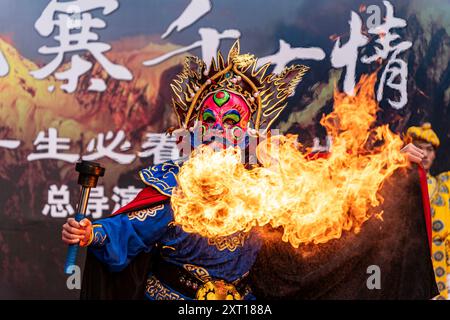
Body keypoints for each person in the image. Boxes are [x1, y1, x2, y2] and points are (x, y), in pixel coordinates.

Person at [61, 40, 310, 300]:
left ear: (251, 133)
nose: (219, 130)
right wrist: (91, 233)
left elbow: (309, 228)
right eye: (210, 119)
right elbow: (128, 230)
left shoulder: (267, 186)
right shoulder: (175, 185)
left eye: (232, 121)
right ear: (193, 129)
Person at [404, 123, 450, 300]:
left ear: (435, 153)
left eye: (428, 149)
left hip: (441, 272)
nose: (423, 154)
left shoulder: (445, 185)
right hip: (407, 270)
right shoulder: (396, 187)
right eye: (418, 149)